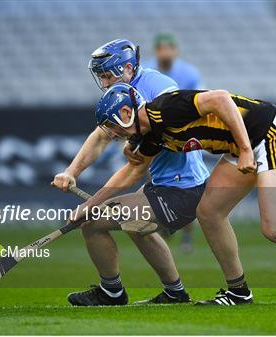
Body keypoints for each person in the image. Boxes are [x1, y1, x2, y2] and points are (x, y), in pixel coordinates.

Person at [89, 83, 276, 306]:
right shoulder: (153, 135)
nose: (113, 135)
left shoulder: (164, 108)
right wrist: (89, 206)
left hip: (269, 133)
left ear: (126, 112)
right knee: (208, 211)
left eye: (112, 127)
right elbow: (133, 171)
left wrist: (247, 149)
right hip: (239, 147)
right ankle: (238, 291)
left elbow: (220, 98)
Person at [52, 39, 210, 306]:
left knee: (92, 223)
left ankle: (111, 292)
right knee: (138, 227)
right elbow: (101, 136)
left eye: (106, 75)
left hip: (181, 185)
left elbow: (138, 165)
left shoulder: (159, 88)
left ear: (126, 68)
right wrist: (71, 171)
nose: (103, 83)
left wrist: (91, 205)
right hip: (167, 182)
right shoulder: (122, 90)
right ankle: (175, 293)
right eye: (100, 77)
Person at [144, 32, 204, 252]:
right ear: (156, 51)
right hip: (154, 139)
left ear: (175, 51)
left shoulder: (188, 73)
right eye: (162, 48)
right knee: (157, 185)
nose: (166, 53)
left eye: (169, 48)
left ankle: (186, 236)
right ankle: (163, 228)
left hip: (182, 137)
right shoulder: (149, 73)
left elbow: (199, 100)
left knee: (187, 188)